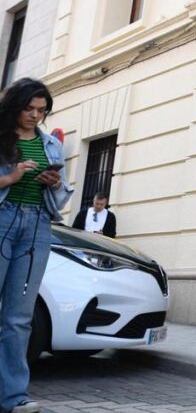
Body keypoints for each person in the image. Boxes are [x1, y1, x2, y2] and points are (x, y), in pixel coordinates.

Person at [0, 78, 73, 413]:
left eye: (41, 110)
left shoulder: (51, 145)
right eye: (29, 108)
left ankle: (14, 397)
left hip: (37, 226)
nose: (34, 115)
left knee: (19, 317)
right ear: (15, 106)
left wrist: (53, 182)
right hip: (3, 219)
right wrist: (9, 178)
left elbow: (61, 195)